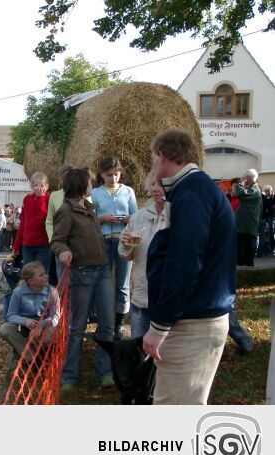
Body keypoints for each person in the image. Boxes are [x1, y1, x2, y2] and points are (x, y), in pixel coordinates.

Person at [143, 129, 236, 405]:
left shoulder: (192, 192)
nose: (152, 164)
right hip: (194, 320)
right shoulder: (195, 189)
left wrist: (158, 327)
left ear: (163, 155)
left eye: (152, 157)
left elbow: (184, 263)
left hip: (193, 325)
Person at [50, 168, 114, 390]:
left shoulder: (88, 207)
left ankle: (105, 372)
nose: (92, 184)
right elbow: (57, 240)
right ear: (81, 186)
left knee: (107, 324)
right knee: (77, 328)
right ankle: (69, 376)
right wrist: (63, 251)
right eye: (89, 182)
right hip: (82, 274)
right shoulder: (66, 211)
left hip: (102, 272)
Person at [0, 261, 60, 400]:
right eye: (42, 274)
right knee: (4, 328)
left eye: (45, 273)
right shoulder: (18, 292)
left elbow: (55, 316)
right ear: (31, 281)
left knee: (50, 335)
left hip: (44, 327)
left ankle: (37, 352)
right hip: (26, 327)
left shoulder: (52, 291)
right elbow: (10, 315)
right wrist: (25, 321)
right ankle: (31, 357)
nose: (46, 276)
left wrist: (41, 325)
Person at [91, 156, 138, 339]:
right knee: (102, 283)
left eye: (117, 174)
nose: (114, 178)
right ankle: (103, 322)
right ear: (102, 174)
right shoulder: (94, 194)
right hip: (103, 241)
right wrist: (103, 219)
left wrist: (128, 219)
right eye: (110, 175)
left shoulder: (128, 191)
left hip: (123, 240)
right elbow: (89, 219)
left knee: (123, 284)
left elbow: (136, 216)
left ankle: (119, 324)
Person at [119, 176, 168, 339]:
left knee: (164, 350)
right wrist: (126, 243)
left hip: (166, 295)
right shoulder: (139, 216)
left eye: (160, 184)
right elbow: (125, 254)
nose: (155, 188)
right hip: (141, 292)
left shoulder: (179, 217)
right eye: (153, 184)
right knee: (138, 346)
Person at [13, 172, 51, 272]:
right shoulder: (27, 199)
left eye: (42, 185)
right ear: (31, 186)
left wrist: (41, 199)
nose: (38, 188)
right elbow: (23, 223)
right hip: (27, 244)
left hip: (43, 244)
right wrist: (16, 245)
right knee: (29, 275)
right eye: (35, 185)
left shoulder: (49, 199)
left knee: (41, 274)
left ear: (47, 186)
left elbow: (44, 220)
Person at [235, 168, 262, 267]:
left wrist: (241, 184)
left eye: (245, 178)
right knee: (241, 252)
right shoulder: (253, 189)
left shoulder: (255, 189)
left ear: (248, 178)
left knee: (246, 253)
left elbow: (242, 194)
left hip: (247, 227)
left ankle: (247, 274)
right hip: (244, 226)